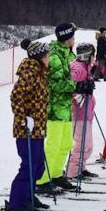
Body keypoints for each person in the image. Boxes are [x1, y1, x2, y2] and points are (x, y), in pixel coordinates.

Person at [5, 39, 51, 211]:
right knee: (29, 165)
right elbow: (15, 96)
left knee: (38, 165)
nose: (49, 59)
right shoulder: (30, 73)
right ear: (40, 57)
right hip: (27, 130)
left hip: (38, 129)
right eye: (47, 56)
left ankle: (29, 195)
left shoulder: (39, 73)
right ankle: (18, 202)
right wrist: (24, 120)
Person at [36, 22, 78, 193]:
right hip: (55, 108)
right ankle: (42, 180)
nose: (74, 40)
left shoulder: (68, 54)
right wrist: (75, 85)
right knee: (53, 144)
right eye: (73, 36)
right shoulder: (54, 56)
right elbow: (53, 83)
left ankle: (55, 174)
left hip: (66, 107)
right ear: (66, 38)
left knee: (66, 143)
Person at [65, 42, 98, 181]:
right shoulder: (78, 68)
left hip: (87, 112)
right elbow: (69, 83)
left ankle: (81, 167)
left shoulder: (86, 67)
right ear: (86, 56)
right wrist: (79, 89)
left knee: (88, 144)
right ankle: (72, 172)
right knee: (80, 143)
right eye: (93, 55)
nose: (94, 58)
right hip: (79, 113)